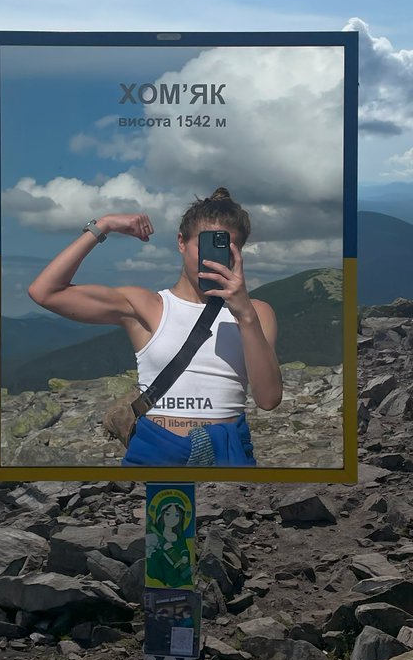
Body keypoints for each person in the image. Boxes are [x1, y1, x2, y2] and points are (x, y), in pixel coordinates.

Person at [26, 188, 282, 466]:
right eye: (207, 247)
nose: (212, 260)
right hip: (157, 451)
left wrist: (245, 315)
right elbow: (45, 292)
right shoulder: (147, 306)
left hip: (228, 451)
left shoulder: (256, 313)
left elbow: (268, 399)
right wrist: (105, 225)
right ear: (181, 243)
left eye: (227, 250)